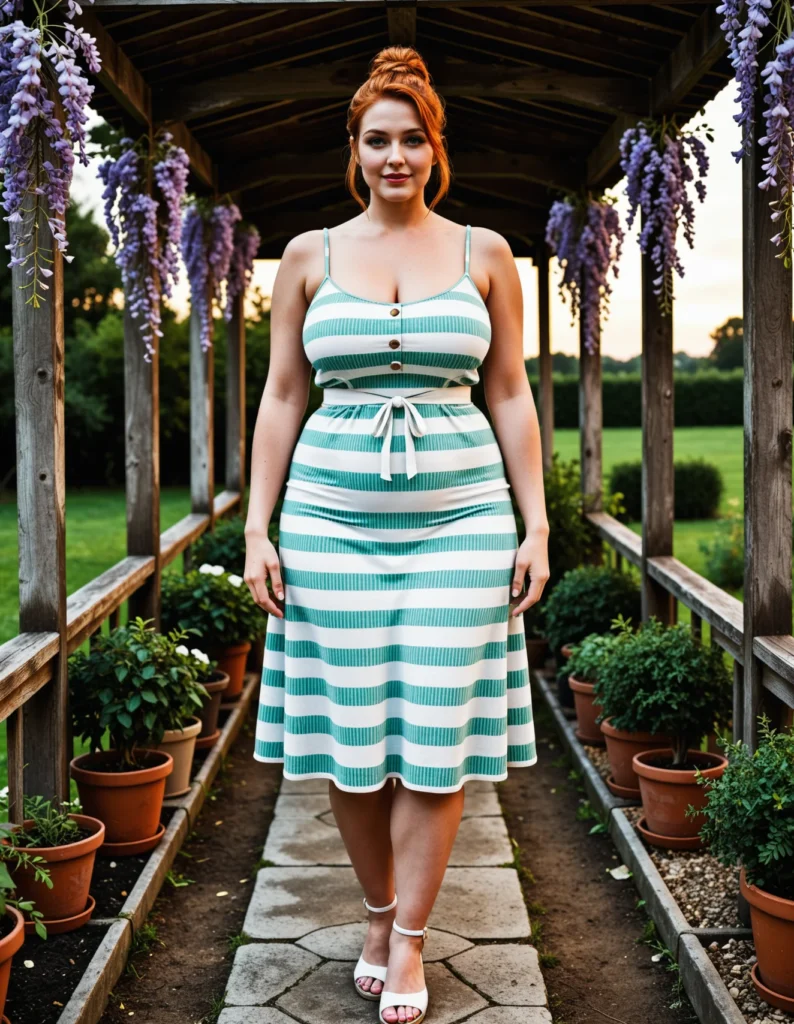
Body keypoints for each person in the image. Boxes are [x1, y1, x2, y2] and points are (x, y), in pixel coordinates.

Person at [244, 45, 549, 1024]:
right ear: (354, 147)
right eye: (377, 139)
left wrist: (533, 523)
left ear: (435, 147)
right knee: (348, 740)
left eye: (411, 138)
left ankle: (408, 939)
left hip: (461, 522)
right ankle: (377, 912)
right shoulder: (308, 255)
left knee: (431, 733)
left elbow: (508, 392)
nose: (394, 156)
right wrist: (257, 525)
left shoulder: (484, 253)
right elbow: (282, 395)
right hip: (327, 522)